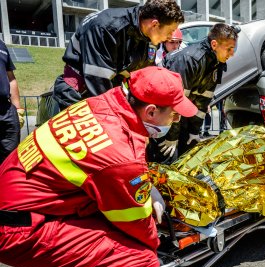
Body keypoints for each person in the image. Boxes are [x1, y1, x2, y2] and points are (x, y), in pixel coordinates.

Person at [0, 66, 197, 267]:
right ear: (150, 111)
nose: (177, 120)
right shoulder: (118, 155)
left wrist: (144, 183)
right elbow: (135, 222)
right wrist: (157, 241)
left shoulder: (100, 104)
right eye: (174, 115)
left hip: (19, 200)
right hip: (18, 229)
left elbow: (106, 161)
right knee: (140, 263)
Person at [52, 0, 184, 111]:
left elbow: (141, 75)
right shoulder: (106, 27)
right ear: (154, 24)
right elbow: (98, 83)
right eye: (170, 31)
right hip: (78, 97)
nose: (170, 37)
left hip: (111, 96)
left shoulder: (148, 36)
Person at [158, 23, 238, 159]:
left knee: (186, 157)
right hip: (164, 116)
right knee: (167, 161)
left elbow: (203, 101)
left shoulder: (216, 63)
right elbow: (174, 101)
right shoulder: (191, 60)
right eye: (229, 49)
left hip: (183, 115)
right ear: (214, 45)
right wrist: (172, 136)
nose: (232, 53)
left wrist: (194, 131)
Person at [0, 39, 23, 164]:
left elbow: (11, 78)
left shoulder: (1, 44)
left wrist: (18, 109)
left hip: (7, 110)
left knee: (11, 159)